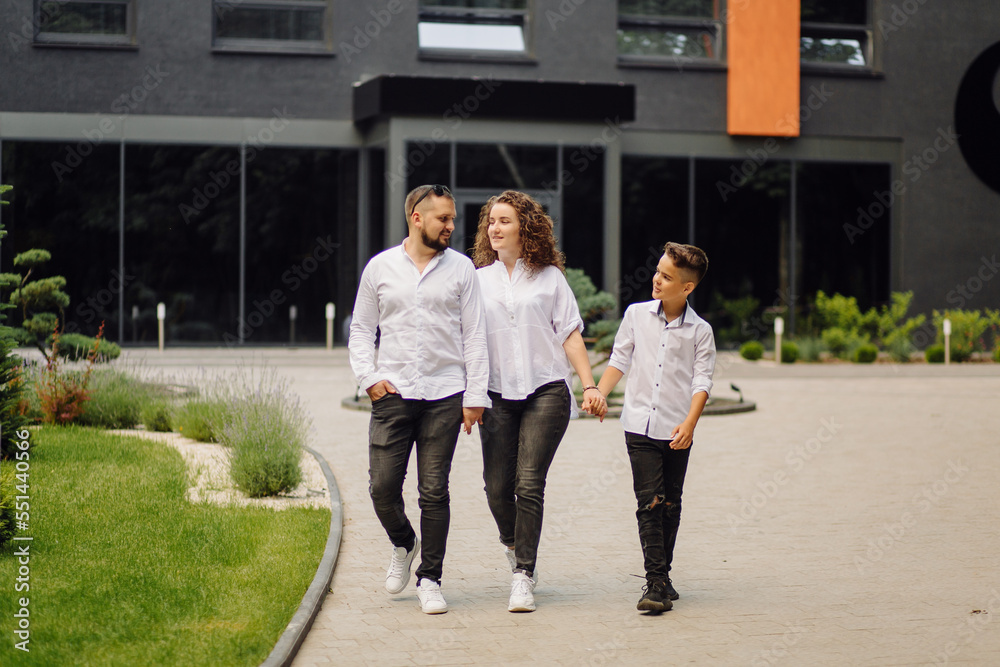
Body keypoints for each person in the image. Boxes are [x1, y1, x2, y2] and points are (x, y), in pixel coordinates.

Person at [348, 184, 491, 615]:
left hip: (445, 394)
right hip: (392, 393)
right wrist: (369, 378)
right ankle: (403, 542)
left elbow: (475, 337)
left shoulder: (462, 270)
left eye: (451, 219)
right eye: (443, 218)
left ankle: (431, 578)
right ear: (416, 218)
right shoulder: (380, 268)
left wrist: (475, 395)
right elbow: (360, 330)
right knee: (382, 488)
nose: (451, 225)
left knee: (434, 490)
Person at [471, 190, 607, 613]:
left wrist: (589, 385)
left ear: (524, 227)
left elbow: (569, 333)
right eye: (491, 221)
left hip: (546, 389)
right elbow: (468, 340)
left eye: (504, 221)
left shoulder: (549, 277)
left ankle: (523, 574)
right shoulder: (476, 279)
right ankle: (513, 545)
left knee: (529, 484)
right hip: (496, 393)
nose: (495, 228)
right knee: (497, 489)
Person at [594, 241, 716, 613]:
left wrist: (691, 423)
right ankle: (655, 583)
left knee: (671, 505)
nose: (657, 279)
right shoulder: (636, 315)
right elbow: (619, 359)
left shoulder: (700, 331)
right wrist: (598, 392)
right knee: (650, 502)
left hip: (678, 429)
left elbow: (702, 381)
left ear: (687, 287)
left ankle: (664, 576)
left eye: (667, 276)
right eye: (658, 271)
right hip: (639, 426)